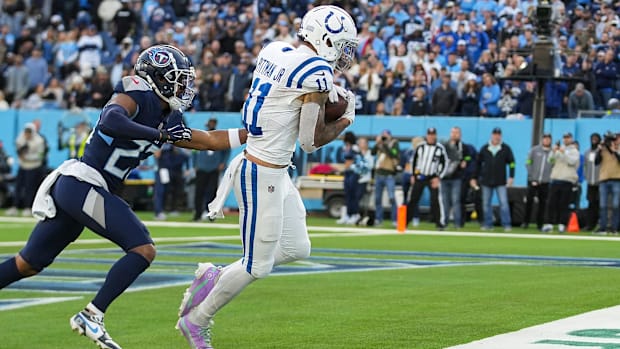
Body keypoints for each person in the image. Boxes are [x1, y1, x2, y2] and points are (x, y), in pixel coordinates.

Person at [0, 45, 248, 349]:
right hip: (82, 183)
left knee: (28, 264)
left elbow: (209, 140)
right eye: (177, 79)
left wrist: (256, 133)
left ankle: (89, 314)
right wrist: (157, 135)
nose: (184, 87)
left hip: (84, 190)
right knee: (143, 249)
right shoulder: (136, 92)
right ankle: (92, 314)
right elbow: (111, 120)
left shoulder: (169, 116)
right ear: (157, 77)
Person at [175, 5, 357, 349]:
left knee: (296, 247)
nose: (345, 53)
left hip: (270, 167)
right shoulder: (316, 71)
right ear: (326, 38)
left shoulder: (275, 48)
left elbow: (287, 96)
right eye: (343, 44)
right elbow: (309, 140)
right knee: (256, 266)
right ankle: (196, 321)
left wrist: (326, 96)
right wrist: (345, 119)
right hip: (262, 171)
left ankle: (214, 276)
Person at [471, 127, 515, 231]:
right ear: (492, 135)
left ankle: (507, 224)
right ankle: (488, 224)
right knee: (486, 204)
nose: (496, 136)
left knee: (503, 203)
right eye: (495, 134)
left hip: (500, 180)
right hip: (486, 180)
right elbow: (478, 164)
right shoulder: (485, 148)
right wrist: (474, 177)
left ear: (501, 136)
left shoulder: (506, 148)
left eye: (498, 134)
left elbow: (512, 163)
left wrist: (511, 176)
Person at [406, 127, 448, 230]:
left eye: (433, 134)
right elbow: (414, 161)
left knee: (435, 200)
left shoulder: (440, 148)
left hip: (432, 177)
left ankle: (439, 223)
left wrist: (438, 177)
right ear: (427, 135)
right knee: (413, 200)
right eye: (429, 134)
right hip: (420, 176)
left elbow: (444, 163)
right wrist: (413, 175)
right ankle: (405, 222)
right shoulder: (420, 147)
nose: (431, 136)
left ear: (435, 135)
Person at [192, 118, 231, 221]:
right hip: (202, 167)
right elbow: (194, 151)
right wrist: (195, 164)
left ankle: (210, 213)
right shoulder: (201, 136)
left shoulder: (218, 136)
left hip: (213, 168)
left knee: (212, 192)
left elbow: (227, 149)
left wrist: (223, 162)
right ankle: (197, 213)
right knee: (199, 191)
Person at [541, 132, 580, 233]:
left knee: (563, 204)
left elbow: (571, 162)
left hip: (567, 180)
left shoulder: (574, 151)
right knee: (551, 203)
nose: (566, 139)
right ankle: (549, 224)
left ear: (571, 138)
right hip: (555, 179)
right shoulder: (558, 149)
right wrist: (554, 152)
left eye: (568, 138)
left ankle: (562, 224)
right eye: (564, 138)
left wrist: (563, 153)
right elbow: (550, 160)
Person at [6, 123, 46, 217]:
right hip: (22, 166)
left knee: (29, 187)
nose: (27, 134)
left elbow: (40, 155)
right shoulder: (21, 138)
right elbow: (18, 148)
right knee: (18, 186)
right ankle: (14, 207)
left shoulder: (39, 141)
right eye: (26, 132)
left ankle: (28, 207)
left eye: (29, 132)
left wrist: (27, 157)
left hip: (33, 166)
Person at [441, 126, 472, 228]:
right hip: (444, 177)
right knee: (445, 201)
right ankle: (444, 222)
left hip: (457, 177)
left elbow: (468, 156)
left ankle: (457, 223)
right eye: (453, 132)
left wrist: (465, 161)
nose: (454, 134)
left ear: (460, 134)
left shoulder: (463, 146)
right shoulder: (444, 145)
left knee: (456, 201)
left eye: (457, 133)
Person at [522, 133, 553, 230]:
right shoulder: (534, 150)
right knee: (529, 202)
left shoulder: (552, 152)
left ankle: (540, 223)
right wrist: (532, 177)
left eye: (548, 139)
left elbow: (554, 165)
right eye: (545, 139)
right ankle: (526, 222)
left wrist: (549, 178)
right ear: (542, 140)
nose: (546, 141)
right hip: (533, 181)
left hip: (545, 182)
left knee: (543, 204)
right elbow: (528, 163)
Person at [372, 129, 400, 227]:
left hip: (389, 174)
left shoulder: (394, 143)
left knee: (392, 198)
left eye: (386, 135)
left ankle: (394, 219)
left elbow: (394, 154)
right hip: (379, 173)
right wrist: (377, 143)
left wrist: (385, 144)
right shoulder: (380, 144)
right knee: (378, 198)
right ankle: (378, 219)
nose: (384, 137)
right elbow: (372, 152)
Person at [153, 143, 189, 220]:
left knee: (169, 191)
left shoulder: (175, 146)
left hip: (171, 171)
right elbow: (157, 155)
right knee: (160, 191)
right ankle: (158, 212)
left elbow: (185, 156)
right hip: (162, 170)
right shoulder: (161, 144)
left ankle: (164, 210)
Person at [595, 131, 620, 234]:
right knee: (603, 205)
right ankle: (603, 228)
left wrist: (614, 150)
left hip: (617, 179)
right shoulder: (603, 149)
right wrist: (599, 150)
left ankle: (614, 228)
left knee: (615, 205)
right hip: (604, 180)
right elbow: (596, 162)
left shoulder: (618, 149)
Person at [336, 131, 360, 224]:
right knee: (347, 194)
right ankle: (347, 215)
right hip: (347, 172)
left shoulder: (354, 148)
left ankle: (355, 214)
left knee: (353, 194)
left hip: (353, 172)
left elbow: (354, 160)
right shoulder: (345, 148)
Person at [582, 133, 601, 231]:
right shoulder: (587, 152)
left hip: (600, 183)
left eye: (596, 139)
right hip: (590, 183)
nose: (594, 140)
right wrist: (586, 177)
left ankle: (599, 224)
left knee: (600, 204)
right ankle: (590, 224)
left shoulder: (601, 152)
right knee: (591, 204)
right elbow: (584, 165)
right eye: (592, 139)